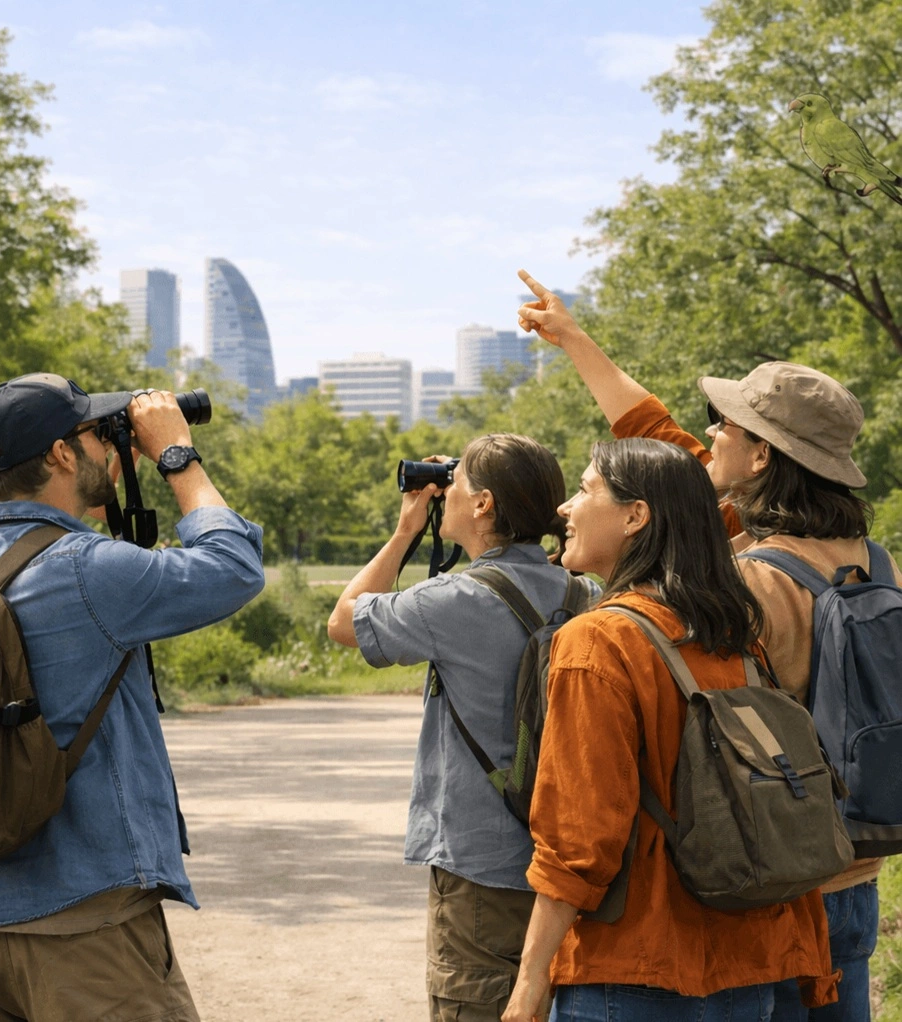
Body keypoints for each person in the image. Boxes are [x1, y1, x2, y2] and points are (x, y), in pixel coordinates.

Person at [517, 269, 901, 1021]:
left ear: (761, 459)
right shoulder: (872, 559)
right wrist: (575, 340)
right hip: (855, 862)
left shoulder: (748, 581)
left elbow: (664, 485)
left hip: (772, 879)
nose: (711, 435)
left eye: (726, 426)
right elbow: (662, 453)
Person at [0, 373, 265, 1022]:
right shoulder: (87, 568)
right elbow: (234, 566)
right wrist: (176, 457)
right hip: (85, 925)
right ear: (60, 455)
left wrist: (103, 477)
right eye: (90, 434)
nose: (107, 443)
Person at [502, 437, 837, 1022]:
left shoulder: (597, 642)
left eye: (584, 490)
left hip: (631, 969)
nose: (565, 509)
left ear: (636, 516)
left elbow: (578, 840)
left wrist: (530, 982)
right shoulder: (732, 636)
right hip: (749, 965)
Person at [327, 434, 593, 1022]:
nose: (444, 494)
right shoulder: (586, 593)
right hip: (575, 864)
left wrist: (404, 532)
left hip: (484, 867)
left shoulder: (452, 601)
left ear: (483, 505)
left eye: (457, 486)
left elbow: (344, 621)